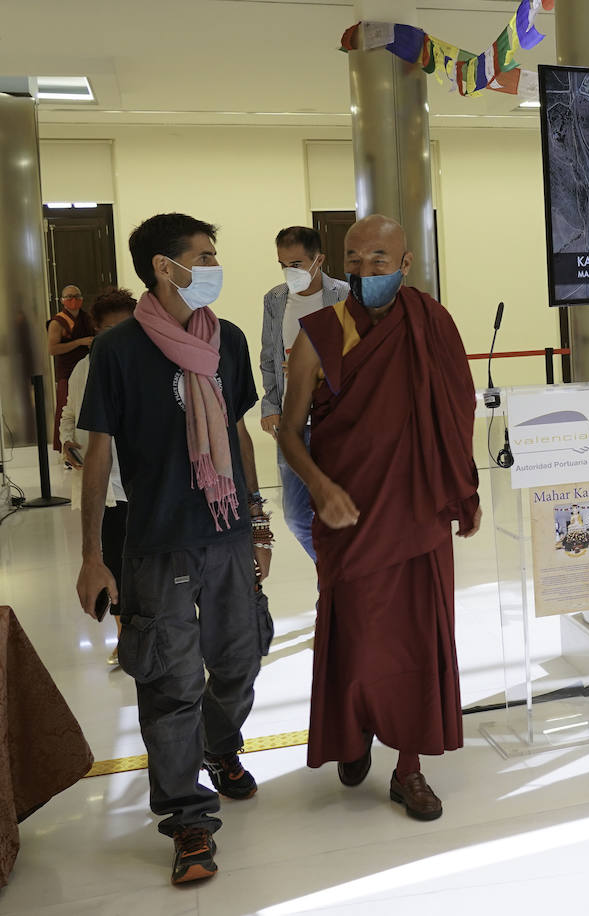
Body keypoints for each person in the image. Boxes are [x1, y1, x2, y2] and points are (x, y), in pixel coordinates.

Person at [75, 213, 273, 885]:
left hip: (224, 533)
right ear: (166, 267)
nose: (215, 266)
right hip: (156, 542)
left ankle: (221, 747)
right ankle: (188, 817)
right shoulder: (118, 350)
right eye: (205, 255)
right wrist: (92, 557)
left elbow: (239, 436)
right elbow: (98, 457)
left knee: (241, 660)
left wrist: (258, 521)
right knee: (170, 681)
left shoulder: (230, 340)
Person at [278, 214, 480, 821]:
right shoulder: (317, 333)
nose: (365, 271)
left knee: (420, 638)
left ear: (406, 263)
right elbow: (289, 434)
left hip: (416, 513)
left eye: (379, 261)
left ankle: (410, 768)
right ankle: (354, 729)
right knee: (357, 638)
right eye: (354, 259)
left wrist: (461, 490)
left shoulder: (430, 323)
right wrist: (320, 487)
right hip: (351, 516)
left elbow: (455, 411)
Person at [260, 226, 349, 562]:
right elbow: (269, 356)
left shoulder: (344, 295)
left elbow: (359, 353)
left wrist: (317, 365)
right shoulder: (275, 299)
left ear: (319, 260)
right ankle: (330, 574)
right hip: (293, 423)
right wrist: (270, 404)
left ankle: (337, 587)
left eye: (296, 263)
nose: (289, 272)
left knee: (340, 509)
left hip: (336, 419)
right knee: (297, 516)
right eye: (283, 264)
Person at [60, 287, 136, 667]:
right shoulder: (83, 370)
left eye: (126, 327)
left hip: (143, 486)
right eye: (108, 329)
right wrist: (67, 441)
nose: (117, 337)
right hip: (106, 490)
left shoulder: (148, 364)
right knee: (117, 567)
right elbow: (69, 416)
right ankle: (125, 640)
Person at [47, 284, 96, 454]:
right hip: (68, 372)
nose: (73, 300)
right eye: (69, 297)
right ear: (62, 300)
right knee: (66, 411)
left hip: (86, 369)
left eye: (76, 296)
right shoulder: (57, 322)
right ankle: (65, 448)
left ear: (82, 299)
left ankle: (84, 446)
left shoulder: (87, 318)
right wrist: (79, 342)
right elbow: (53, 349)